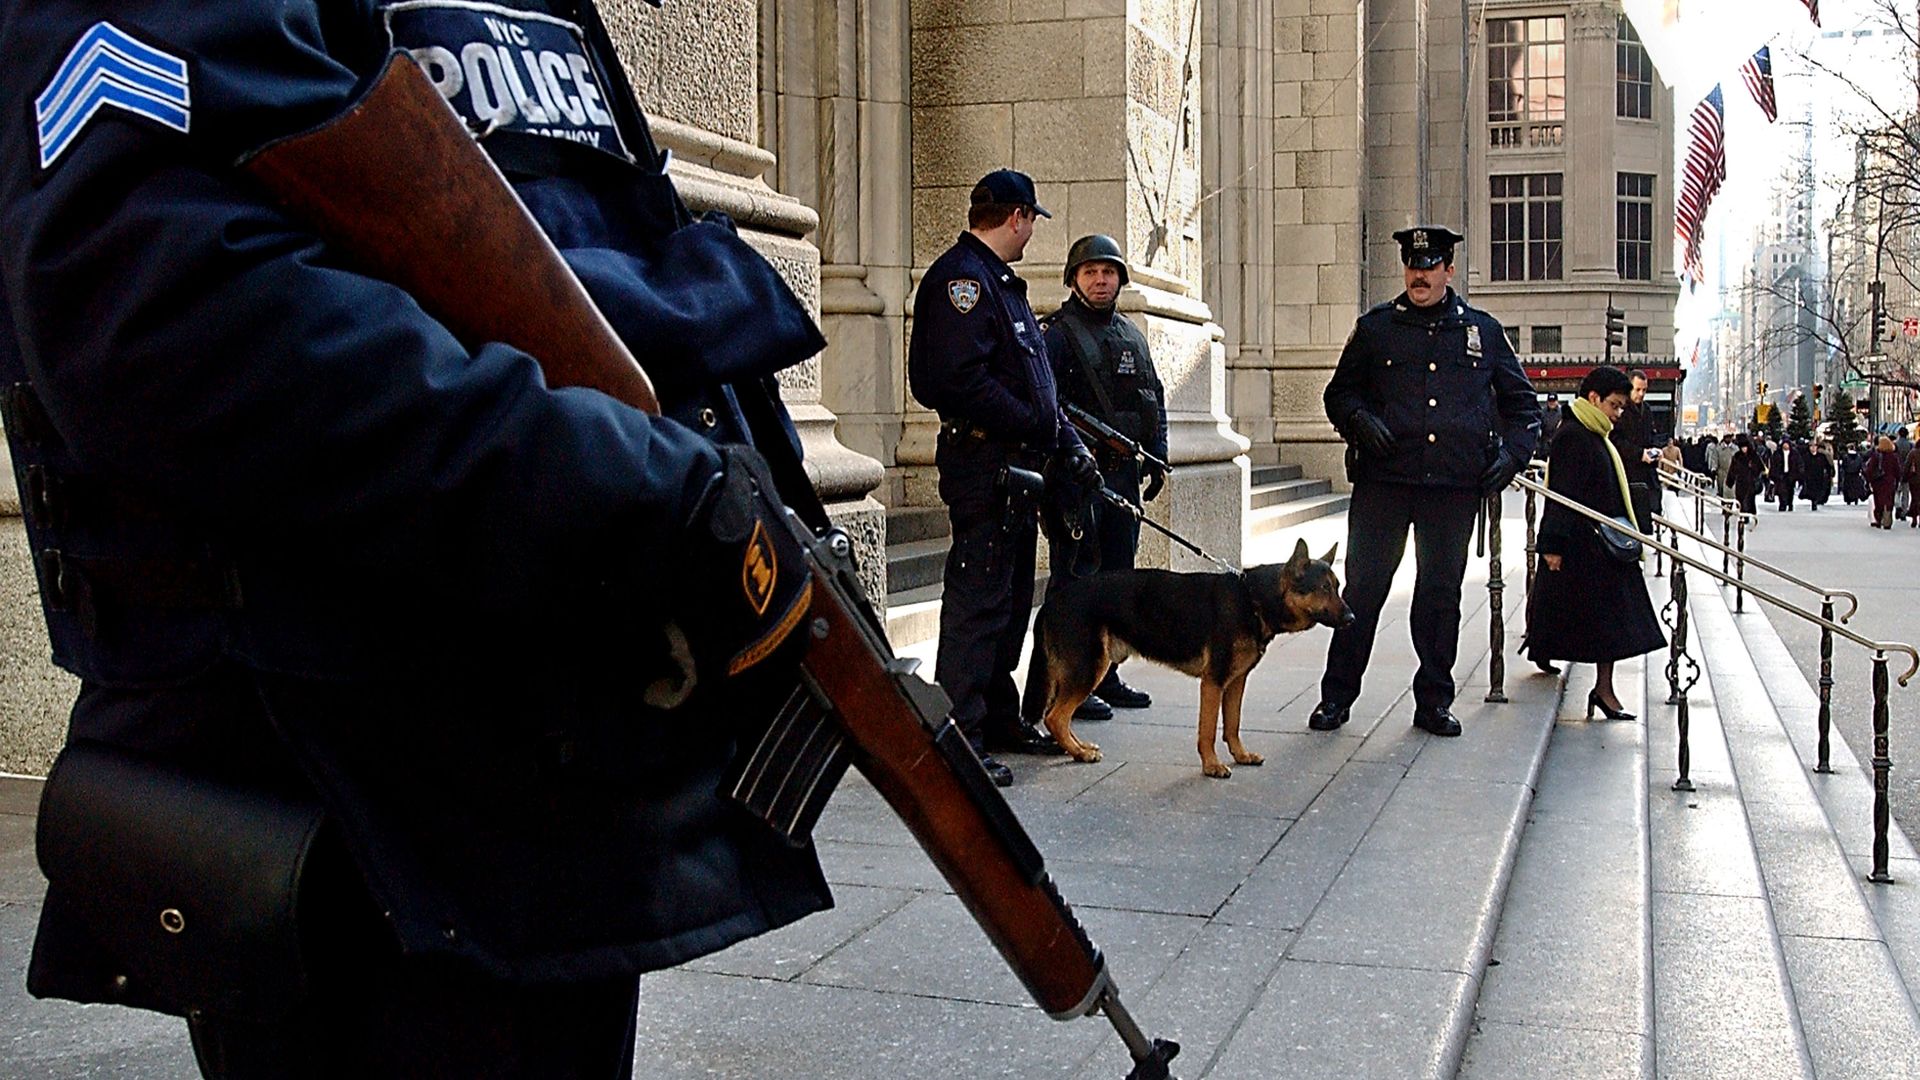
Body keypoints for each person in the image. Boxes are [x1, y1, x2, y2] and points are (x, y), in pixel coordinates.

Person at [3, 4, 840, 1077]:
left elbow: (601, 265)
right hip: (351, 813)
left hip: (555, 790)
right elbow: (168, 311)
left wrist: (751, 502)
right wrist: (654, 496)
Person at [1307, 225, 1540, 737]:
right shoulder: (1376, 329)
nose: (1420, 275)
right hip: (1384, 483)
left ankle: (1434, 700)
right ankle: (1336, 697)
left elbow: (1526, 410)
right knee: (1363, 592)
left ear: (1448, 271)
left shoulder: (1483, 332)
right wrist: (1359, 422)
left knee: (1439, 597)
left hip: (1451, 489)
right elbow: (1339, 395)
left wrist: (1513, 458)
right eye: (1413, 266)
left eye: (1430, 266)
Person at [908, 168, 1099, 786]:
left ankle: (995, 720)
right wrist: (1033, 427)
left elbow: (1040, 389)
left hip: (1018, 468)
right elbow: (954, 382)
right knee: (978, 601)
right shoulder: (961, 283)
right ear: (1017, 217)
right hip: (983, 463)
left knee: (1013, 599)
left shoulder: (1003, 287)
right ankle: (958, 737)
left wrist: (1068, 445)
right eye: (1031, 223)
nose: (1031, 235)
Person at [1041, 233, 1169, 715]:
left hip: (1123, 478)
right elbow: (1047, 405)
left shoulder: (1132, 335)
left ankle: (1106, 674)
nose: (1100, 280)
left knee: (1120, 583)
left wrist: (1156, 456)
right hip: (1077, 480)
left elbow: (1152, 399)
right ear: (1074, 278)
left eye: (1109, 272)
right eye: (1091, 271)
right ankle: (1069, 684)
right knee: (1077, 583)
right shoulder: (1057, 335)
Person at [1525, 367, 1666, 720]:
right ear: (1594, 399)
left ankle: (1601, 687)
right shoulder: (1575, 435)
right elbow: (1561, 495)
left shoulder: (1594, 432)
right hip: (1585, 545)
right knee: (1608, 622)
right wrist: (1553, 546)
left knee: (1605, 621)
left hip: (1600, 543)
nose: (1619, 414)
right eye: (1615, 406)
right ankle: (1602, 689)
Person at [1609, 369, 1658, 523]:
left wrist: (1655, 450)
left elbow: (1652, 435)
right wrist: (1639, 453)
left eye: (1644, 390)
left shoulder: (1647, 410)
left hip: (1647, 472)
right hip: (1628, 471)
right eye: (1638, 389)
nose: (1641, 394)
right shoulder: (1621, 410)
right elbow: (1616, 440)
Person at [1865, 435, 1903, 528]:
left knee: (1878, 501)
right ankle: (1887, 519)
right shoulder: (1893, 456)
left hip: (1878, 482)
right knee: (1889, 500)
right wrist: (1897, 480)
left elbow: (1870, 469)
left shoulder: (1876, 456)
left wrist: (1869, 480)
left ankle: (1879, 519)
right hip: (1890, 482)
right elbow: (1898, 470)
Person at [1728, 434, 1764, 518]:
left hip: (1751, 482)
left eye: (1745, 447)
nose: (1744, 449)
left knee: (1749, 499)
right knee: (1740, 499)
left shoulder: (1753, 456)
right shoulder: (1737, 456)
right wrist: (1730, 480)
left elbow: (1760, 467)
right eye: (1742, 447)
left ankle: (1749, 515)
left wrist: (1755, 472)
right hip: (1740, 482)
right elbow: (1733, 469)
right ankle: (1743, 516)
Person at [1769, 435, 1802, 511]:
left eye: (1787, 444)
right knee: (1781, 491)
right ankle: (1782, 504)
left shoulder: (1794, 453)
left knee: (1790, 490)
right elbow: (1774, 465)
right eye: (1784, 444)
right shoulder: (1777, 453)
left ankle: (1790, 503)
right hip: (1781, 475)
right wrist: (1773, 475)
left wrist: (1798, 475)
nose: (1785, 445)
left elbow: (1799, 464)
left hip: (1791, 475)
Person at [1804, 440, 1834, 510]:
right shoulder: (1806, 456)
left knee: (1818, 490)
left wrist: (1830, 473)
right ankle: (1813, 501)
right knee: (1811, 491)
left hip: (1819, 477)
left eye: (1814, 446)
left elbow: (1828, 466)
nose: (1813, 448)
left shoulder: (1822, 456)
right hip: (1809, 477)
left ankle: (1816, 501)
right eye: (1811, 446)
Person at [1904, 440, 1920, 529]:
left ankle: (1914, 518)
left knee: (1915, 498)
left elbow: (1907, 465)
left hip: (1914, 479)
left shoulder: (1913, 453)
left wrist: (1904, 478)